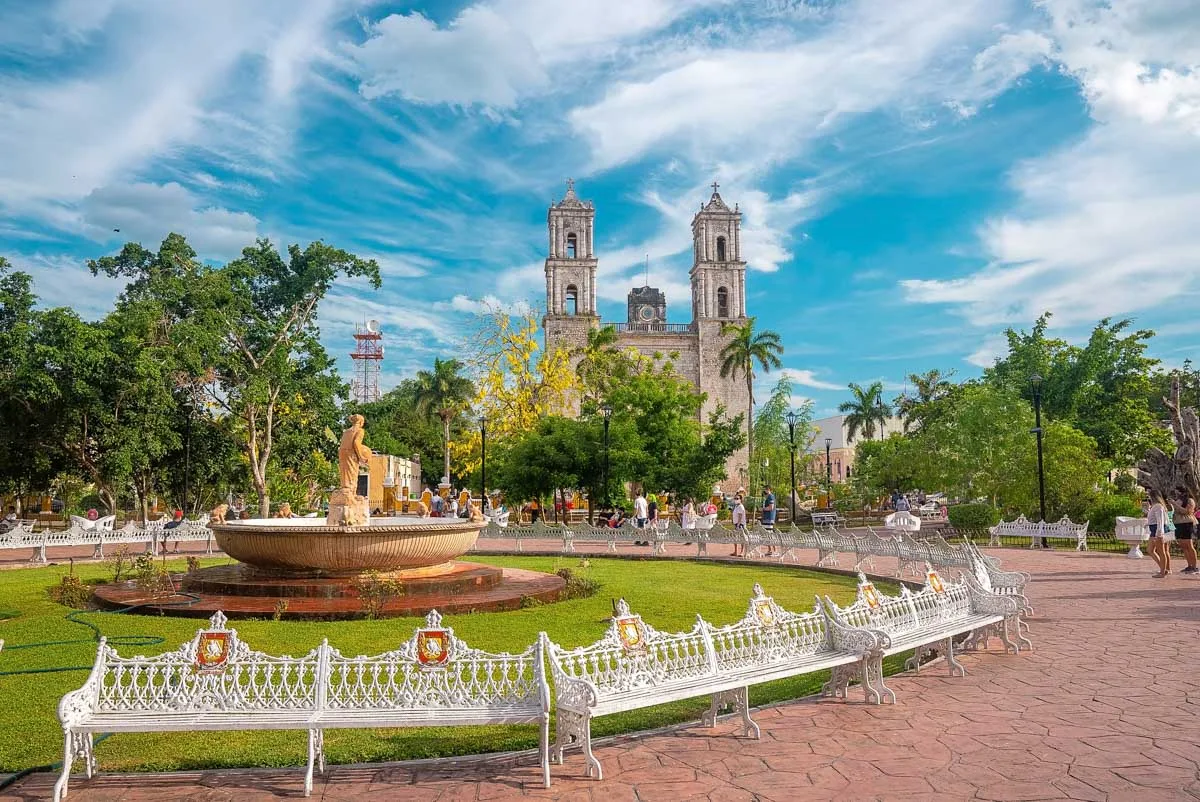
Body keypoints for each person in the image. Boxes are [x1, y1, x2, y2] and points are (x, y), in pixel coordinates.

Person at [1171, 489, 1197, 574]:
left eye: (1178, 491)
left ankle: (1194, 566)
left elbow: (1187, 511)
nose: (1176, 493)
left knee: (1189, 545)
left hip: (1187, 523)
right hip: (1178, 523)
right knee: (1183, 545)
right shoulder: (1178, 500)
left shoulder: (1190, 500)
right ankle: (1189, 565)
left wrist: (1175, 504)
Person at [1147, 494, 1171, 578]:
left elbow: (1160, 520)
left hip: (1157, 530)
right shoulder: (1155, 506)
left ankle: (1162, 571)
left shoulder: (1158, 506)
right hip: (1154, 529)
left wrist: (1159, 533)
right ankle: (1163, 568)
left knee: (1161, 551)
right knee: (1150, 550)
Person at [761, 484, 777, 556]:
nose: (765, 490)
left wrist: (763, 509)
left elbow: (771, 507)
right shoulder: (767, 497)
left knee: (770, 534)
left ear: (769, 489)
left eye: (766, 489)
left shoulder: (771, 496)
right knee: (767, 534)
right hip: (766, 518)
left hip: (769, 518)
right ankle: (770, 550)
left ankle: (774, 550)